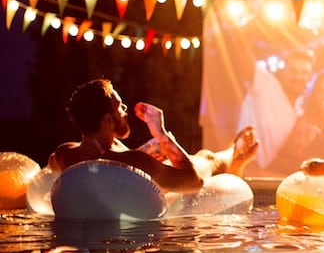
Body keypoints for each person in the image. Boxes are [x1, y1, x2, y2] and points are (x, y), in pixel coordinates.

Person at [49, 79, 259, 192]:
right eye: (119, 106)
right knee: (206, 157)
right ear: (108, 121)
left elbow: (59, 164)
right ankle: (234, 152)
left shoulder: (64, 154)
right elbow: (194, 182)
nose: (125, 108)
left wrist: (147, 151)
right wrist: (162, 134)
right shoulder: (132, 162)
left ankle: (234, 157)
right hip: (168, 193)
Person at [235, 49, 314, 174]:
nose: (298, 77)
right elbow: (241, 58)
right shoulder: (267, 84)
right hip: (244, 170)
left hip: (266, 177)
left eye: (304, 72)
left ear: (309, 77)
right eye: (293, 71)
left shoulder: (299, 110)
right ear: (284, 72)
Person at [270, 69, 324, 174]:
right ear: (314, 94)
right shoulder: (304, 122)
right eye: (320, 91)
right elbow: (285, 158)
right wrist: (304, 144)